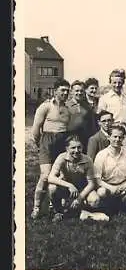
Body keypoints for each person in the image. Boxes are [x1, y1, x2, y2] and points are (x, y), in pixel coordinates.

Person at [30, 79, 71, 219]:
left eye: (67, 90)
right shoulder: (45, 106)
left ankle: (54, 207)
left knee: (59, 176)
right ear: (55, 91)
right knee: (45, 176)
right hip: (47, 142)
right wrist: (40, 146)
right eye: (62, 90)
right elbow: (35, 129)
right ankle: (36, 208)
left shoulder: (67, 109)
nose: (65, 93)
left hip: (62, 142)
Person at [47, 136, 107, 222]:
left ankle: (81, 210)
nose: (76, 150)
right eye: (73, 148)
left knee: (95, 200)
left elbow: (91, 183)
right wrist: (69, 185)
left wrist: (79, 198)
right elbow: (51, 178)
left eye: (79, 147)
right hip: (66, 188)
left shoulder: (87, 160)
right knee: (52, 188)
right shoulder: (61, 158)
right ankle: (58, 212)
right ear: (67, 148)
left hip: (82, 188)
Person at [94, 125, 126, 213]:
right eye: (115, 136)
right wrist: (111, 188)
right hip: (108, 186)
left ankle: (124, 207)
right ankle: (110, 209)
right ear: (109, 137)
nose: (117, 139)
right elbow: (97, 179)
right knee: (101, 192)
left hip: (124, 186)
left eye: (120, 137)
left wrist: (125, 185)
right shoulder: (101, 154)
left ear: (123, 138)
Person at [97, 69, 126, 146]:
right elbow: (100, 117)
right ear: (110, 83)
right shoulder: (104, 98)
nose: (117, 85)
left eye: (119, 82)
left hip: (124, 129)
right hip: (111, 129)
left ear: (123, 82)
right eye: (114, 82)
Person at [66, 80, 97, 150]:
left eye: (81, 91)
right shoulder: (66, 105)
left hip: (85, 139)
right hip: (70, 139)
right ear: (71, 92)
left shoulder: (87, 107)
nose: (79, 93)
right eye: (77, 91)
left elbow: (92, 125)